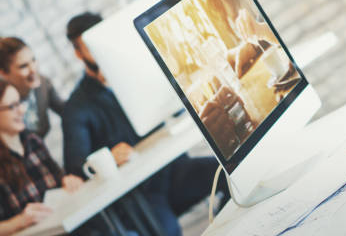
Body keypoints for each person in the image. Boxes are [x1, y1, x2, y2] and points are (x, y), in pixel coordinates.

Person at [62, 12, 229, 236]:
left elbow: (175, 104)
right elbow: (76, 165)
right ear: (78, 53)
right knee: (167, 231)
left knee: (229, 173)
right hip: (141, 194)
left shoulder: (134, 74)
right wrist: (110, 158)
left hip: (175, 170)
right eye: (89, 48)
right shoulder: (77, 106)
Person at [0, 79, 83, 235]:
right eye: (12, 106)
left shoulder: (33, 141)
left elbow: (60, 180)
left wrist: (68, 181)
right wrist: (18, 222)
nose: (22, 110)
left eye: (20, 103)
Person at [0, 37, 64, 139]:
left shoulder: (43, 84)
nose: (33, 69)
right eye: (23, 66)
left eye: (33, 60)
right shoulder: (3, 107)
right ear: (3, 73)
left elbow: (67, 111)